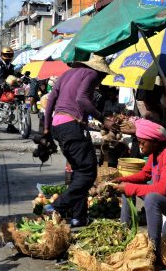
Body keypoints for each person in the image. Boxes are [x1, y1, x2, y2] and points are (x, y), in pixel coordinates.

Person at [112, 118, 166, 267]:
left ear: (155, 141)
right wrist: (122, 180)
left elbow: (162, 189)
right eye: (139, 142)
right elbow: (144, 175)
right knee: (128, 186)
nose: (140, 147)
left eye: (143, 143)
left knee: (152, 198)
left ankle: (155, 254)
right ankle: (124, 236)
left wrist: (129, 187)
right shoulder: (156, 152)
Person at [43, 54, 115, 227]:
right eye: (103, 76)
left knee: (78, 172)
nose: (101, 80)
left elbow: (51, 99)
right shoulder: (91, 75)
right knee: (88, 172)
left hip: (58, 125)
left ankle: (78, 217)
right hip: (72, 125)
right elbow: (81, 99)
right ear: (99, 70)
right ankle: (56, 206)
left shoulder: (67, 73)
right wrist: (102, 119)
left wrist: (46, 128)